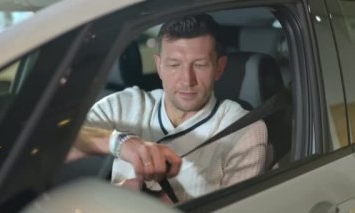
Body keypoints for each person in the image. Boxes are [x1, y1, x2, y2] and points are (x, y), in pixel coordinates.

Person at [67, 14, 267, 202]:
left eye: (199, 65)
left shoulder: (244, 129)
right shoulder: (124, 105)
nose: (187, 80)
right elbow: (59, 143)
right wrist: (119, 143)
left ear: (219, 67)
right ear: (159, 66)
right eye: (174, 65)